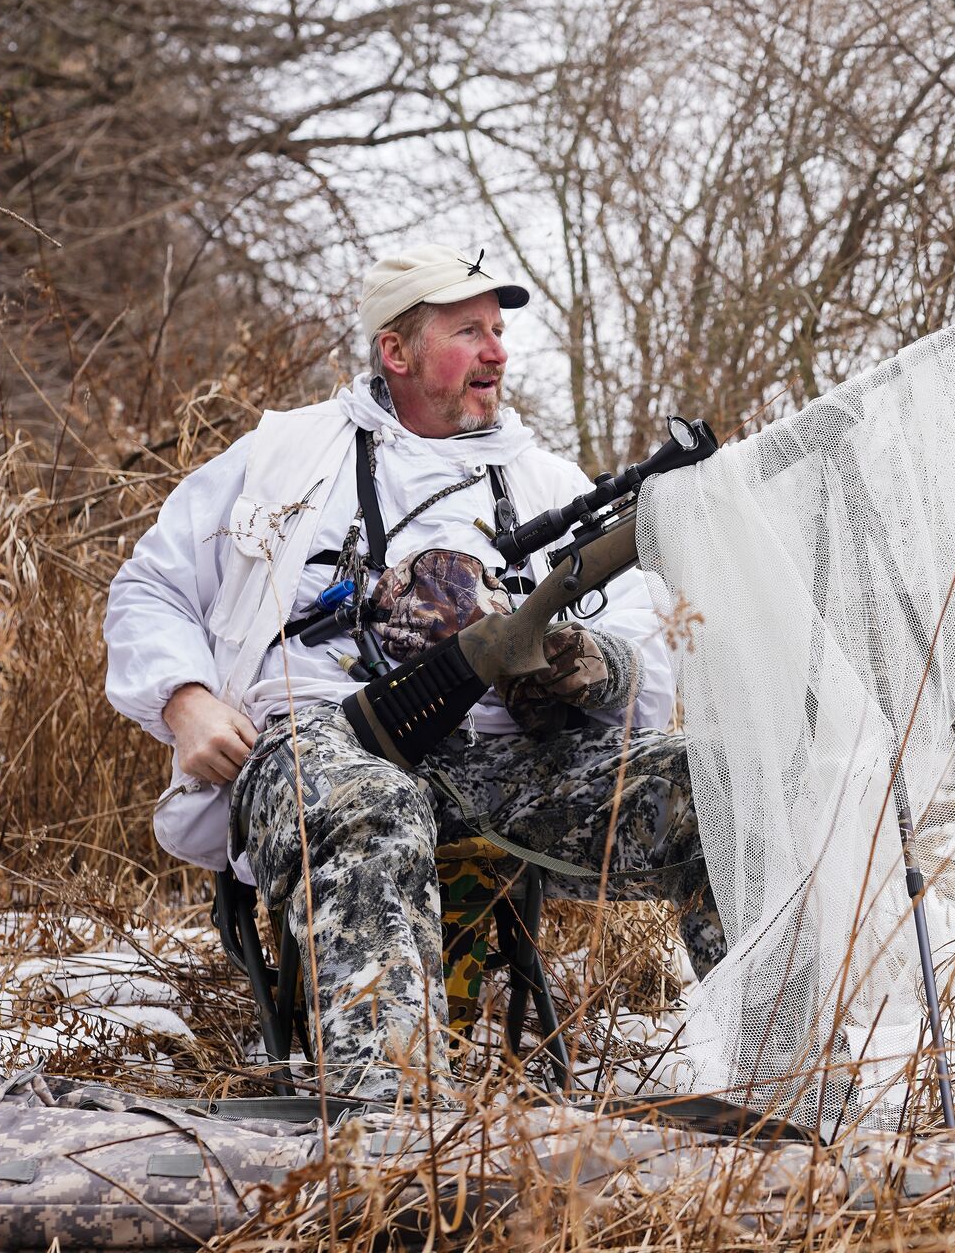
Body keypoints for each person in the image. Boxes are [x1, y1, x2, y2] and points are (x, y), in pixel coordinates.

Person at [105, 244, 724, 1099]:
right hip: (317, 749)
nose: (498, 352)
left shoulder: (540, 479)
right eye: (469, 331)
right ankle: (393, 1135)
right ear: (396, 353)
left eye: (499, 331)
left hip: (502, 765)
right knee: (377, 802)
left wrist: (590, 668)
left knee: (718, 785)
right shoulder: (284, 458)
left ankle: (791, 1086)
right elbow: (148, 588)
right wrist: (187, 701)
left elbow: (641, 657)